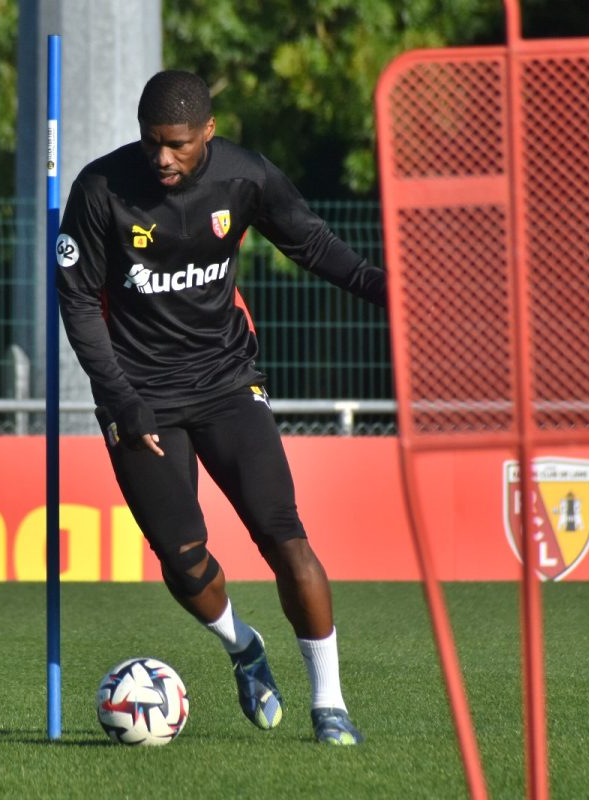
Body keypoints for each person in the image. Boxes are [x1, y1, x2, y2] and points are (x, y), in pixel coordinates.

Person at [56, 69, 386, 745]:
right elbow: (79, 305)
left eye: (177, 144)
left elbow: (313, 244)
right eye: (151, 143)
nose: (162, 158)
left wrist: (389, 293)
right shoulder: (99, 189)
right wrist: (121, 400)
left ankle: (330, 705)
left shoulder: (245, 177)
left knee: (286, 539)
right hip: (138, 397)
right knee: (182, 559)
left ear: (207, 131)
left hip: (228, 383)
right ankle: (243, 647)